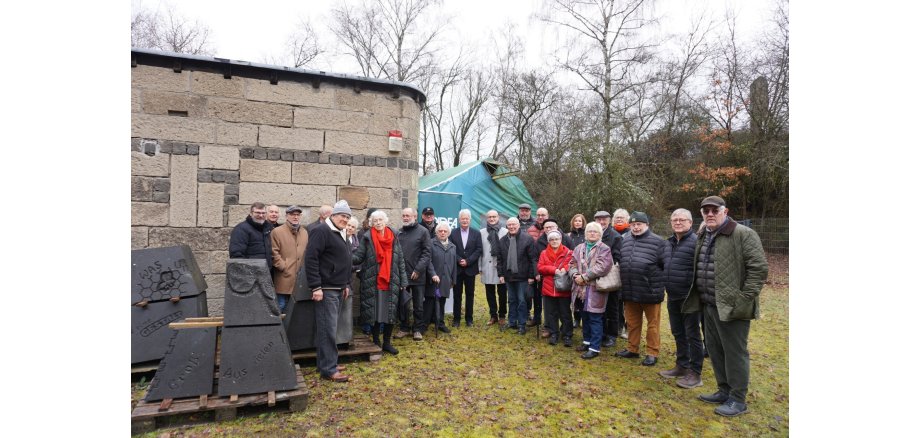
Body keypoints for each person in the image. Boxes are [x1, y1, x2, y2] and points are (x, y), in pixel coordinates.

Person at [682, 196, 768, 417]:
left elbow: (758, 269)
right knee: (716, 351)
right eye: (705, 210)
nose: (710, 214)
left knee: (735, 353)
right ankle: (723, 391)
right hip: (709, 305)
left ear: (725, 211)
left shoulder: (743, 234)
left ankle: (738, 400)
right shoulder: (705, 234)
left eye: (714, 210)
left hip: (733, 308)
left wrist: (743, 300)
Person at [303, 200, 354, 383]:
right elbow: (311, 258)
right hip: (326, 289)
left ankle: (326, 363)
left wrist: (346, 284)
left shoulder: (341, 232)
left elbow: (346, 260)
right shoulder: (321, 231)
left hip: (338, 288)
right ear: (333, 215)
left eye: (348, 217)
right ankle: (329, 369)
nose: (345, 219)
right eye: (342, 216)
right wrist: (316, 286)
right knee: (328, 330)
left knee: (330, 328)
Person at [659, 208, 704, 389]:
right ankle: (682, 365)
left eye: (682, 220)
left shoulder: (697, 243)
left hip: (690, 297)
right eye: (674, 220)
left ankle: (695, 373)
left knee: (692, 334)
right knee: (678, 332)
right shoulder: (668, 243)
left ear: (690, 223)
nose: (677, 222)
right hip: (673, 295)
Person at [352, 210, 408, 355]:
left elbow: (400, 258)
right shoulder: (367, 237)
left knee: (390, 312)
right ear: (371, 223)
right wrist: (344, 255)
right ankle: (376, 341)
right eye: (375, 220)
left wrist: (403, 280)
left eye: (380, 220)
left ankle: (387, 343)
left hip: (392, 279)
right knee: (376, 312)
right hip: (374, 280)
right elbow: (358, 256)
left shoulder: (393, 236)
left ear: (385, 221)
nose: (378, 223)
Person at [615, 211, 666, 367]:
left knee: (653, 325)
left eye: (639, 224)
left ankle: (652, 352)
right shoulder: (626, 240)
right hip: (630, 291)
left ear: (647, 225)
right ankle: (632, 348)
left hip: (650, 291)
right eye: (633, 224)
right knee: (632, 323)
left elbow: (665, 266)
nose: (636, 227)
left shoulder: (658, 242)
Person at [568, 221, 614, 359]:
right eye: (589, 231)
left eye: (595, 231)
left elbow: (602, 267)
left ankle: (594, 348)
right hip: (579, 289)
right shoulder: (579, 247)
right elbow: (572, 263)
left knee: (595, 318)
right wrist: (575, 275)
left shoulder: (604, 248)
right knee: (585, 316)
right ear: (586, 233)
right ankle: (586, 342)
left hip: (595, 289)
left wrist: (585, 277)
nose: (592, 233)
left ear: (600, 234)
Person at [396, 208, 432, 341]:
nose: (405, 218)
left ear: (415, 217)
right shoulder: (399, 232)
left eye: (408, 215)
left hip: (418, 275)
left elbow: (427, 253)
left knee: (418, 305)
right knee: (403, 303)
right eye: (403, 215)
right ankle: (404, 327)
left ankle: (417, 329)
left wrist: (418, 270)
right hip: (403, 276)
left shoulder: (423, 232)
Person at [497, 217, 537, 335]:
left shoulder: (527, 239)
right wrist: (501, 274)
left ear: (518, 225)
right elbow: (500, 259)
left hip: (523, 277)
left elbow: (533, 259)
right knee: (511, 300)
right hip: (509, 276)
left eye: (514, 224)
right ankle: (512, 322)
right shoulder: (503, 240)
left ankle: (522, 324)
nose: (512, 227)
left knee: (522, 300)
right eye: (509, 225)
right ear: (507, 226)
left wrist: (531, 275)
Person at [537, 230, 574, 347]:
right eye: (551, 240)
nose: (554, 241)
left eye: (556, 239)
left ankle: (567, 334)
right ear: (548, 241)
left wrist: (566, 268)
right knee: (551, 314)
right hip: (548, 288)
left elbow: (572, 264)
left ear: (560, 240)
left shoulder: (568, 252)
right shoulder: (543, 253)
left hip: (563, 288)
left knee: (565, 313)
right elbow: (540, 267)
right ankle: (554, 333)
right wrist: (553, 270)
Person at [594, 210, 624, 349]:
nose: (601, 222)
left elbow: (618, 257)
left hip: (609, 277)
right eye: (598, 219)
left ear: (609, 220)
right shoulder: (593, 234)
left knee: (612, 307)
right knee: (599, 307)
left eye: (604, 219)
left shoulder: (615, 236)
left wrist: (604, 266)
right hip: (595, 276)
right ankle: (602, 333)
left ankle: (612, 335)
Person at [270, 205, 309, 311]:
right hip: (284, 277)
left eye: (298, 215)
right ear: (287, 216)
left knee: (296, 311)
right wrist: (284, 266)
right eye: (292, 214)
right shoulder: (277, 232)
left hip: (299, 279)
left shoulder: (304, 232)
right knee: (281, 307)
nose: (295, 217)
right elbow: (273, 252)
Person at [449, 209, 483, 327]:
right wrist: (459, 260)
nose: (464, 220)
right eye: (462, 218)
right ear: (459, 220)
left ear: (470, 220)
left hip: (470, 269)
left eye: (466, 218)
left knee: (470, 295)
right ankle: (456, 319)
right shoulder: (453, 233)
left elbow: (479, 249)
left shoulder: (476, 233)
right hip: (457, 269)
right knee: (457, 295)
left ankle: (469, 319)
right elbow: (451, 248)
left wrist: (468, 261)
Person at [424, 221, 456, 335]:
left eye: (445, 231)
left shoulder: (452, 246)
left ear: (448, 233)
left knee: (442, 302)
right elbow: (428, 261)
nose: (442, 233)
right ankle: (425, 324)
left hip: (446, 279)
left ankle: (440, 323)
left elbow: (453, 265)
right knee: (429, 302)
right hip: (432, 279)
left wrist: (453, 279)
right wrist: (433, 274)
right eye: (440, 231)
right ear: (436, 232)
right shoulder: (431, 243)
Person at [479, 210, 508, 326]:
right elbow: (480, 251)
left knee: (502, 293)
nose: (491, 219)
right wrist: (480, 267)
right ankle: (493, 315)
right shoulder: (482, 232)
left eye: (494, 217)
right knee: (489, 292)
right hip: (487, 265)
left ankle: (502, 315)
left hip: (501, 267)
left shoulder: (505, 231)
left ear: (498, 217)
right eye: (489, 217)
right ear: (487, 218)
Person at [228, 202, 274, 274]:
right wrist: (248, 273)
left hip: (267, 272)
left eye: (263, 213)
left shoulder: (268, 228)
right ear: (251, 213)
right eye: (258, 213)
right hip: (251, 274)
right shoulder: (241, 229)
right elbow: (237, 255)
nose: (261, 215)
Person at [568, 214, 587, 327]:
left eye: (580, 221)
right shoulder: (569, 235)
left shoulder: (586, 234)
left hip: (585, 268)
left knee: (583, 295)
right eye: (576, 221)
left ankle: (585, 318)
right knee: (574, 295)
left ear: (583, 222)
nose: (578, 223)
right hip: (574, 266)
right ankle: (576, 318)